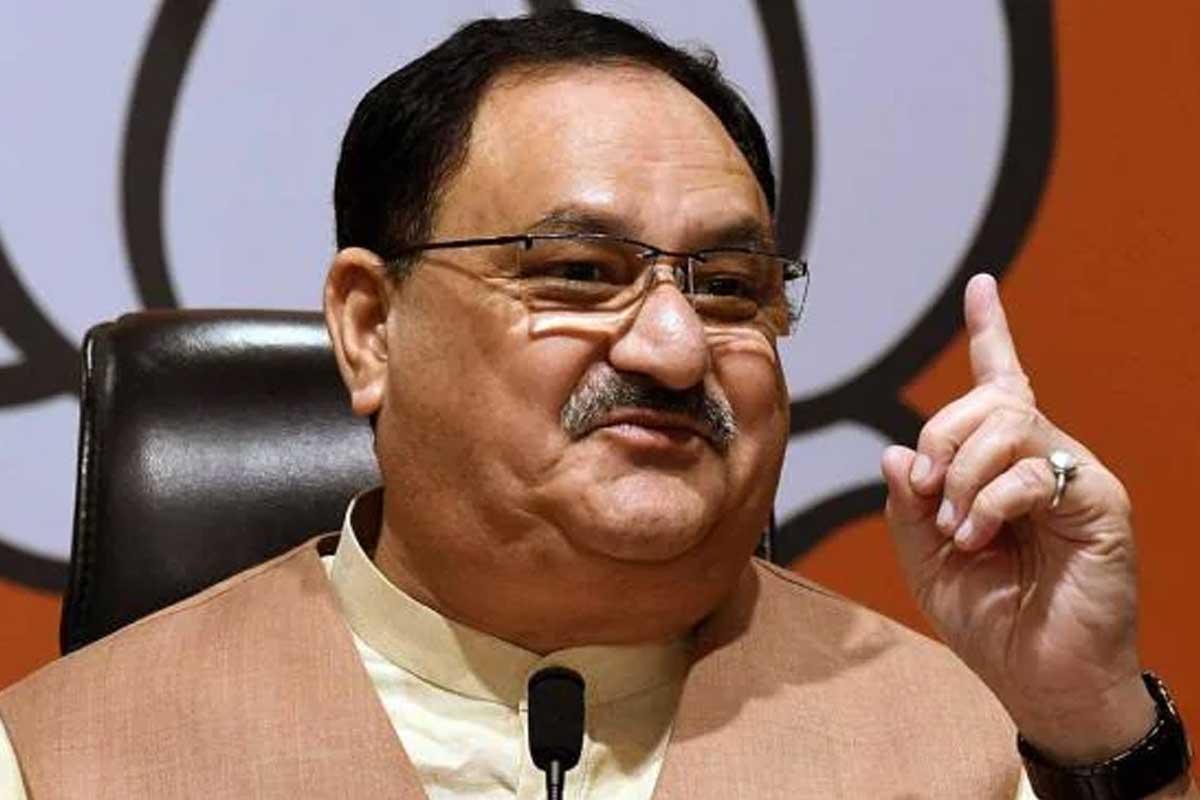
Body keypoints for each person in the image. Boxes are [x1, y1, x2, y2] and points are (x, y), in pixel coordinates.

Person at [0, 10, 1193, 799]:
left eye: (729, 287)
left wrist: (1091, 721)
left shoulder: (975, 745)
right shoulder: (62, 760)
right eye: (578, 272)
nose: (674, 346)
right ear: (370, 327)